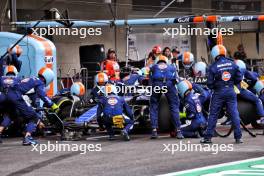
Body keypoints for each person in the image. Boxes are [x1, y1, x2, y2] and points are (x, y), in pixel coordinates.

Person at [201, 44, 243, 144]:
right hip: (230, 91)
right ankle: (238, 138)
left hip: (219, 92)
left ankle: (208, 138)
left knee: (213, 115)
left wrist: (217, 85)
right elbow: (239, 78)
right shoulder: (232, 63)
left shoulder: (213, 66)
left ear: (214, 54)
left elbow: (210, 84)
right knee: (234, 114)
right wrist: (231, 82)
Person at [149, 55, 183, 139]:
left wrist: (152, 90)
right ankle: (178, 131)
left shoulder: (153, 67)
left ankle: (154, 131)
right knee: (174, 106)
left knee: (153, 106)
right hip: (169, 84)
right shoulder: (172, 67)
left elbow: (150, 81)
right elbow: (177, 79)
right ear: (166, 61)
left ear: (157, 61)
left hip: (157, 84)